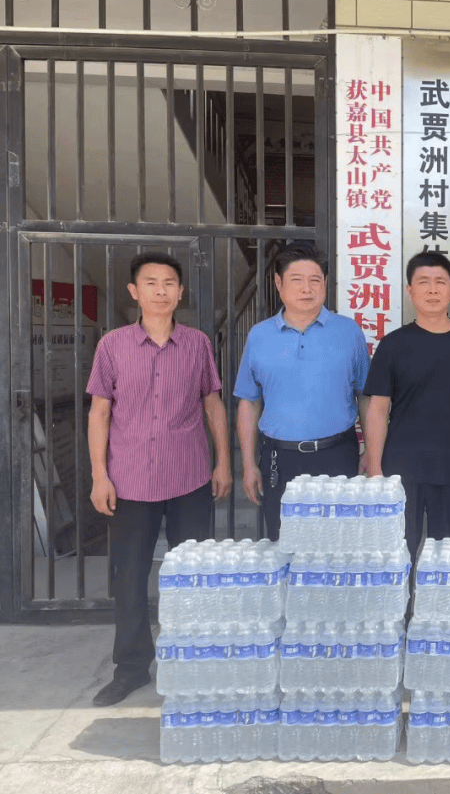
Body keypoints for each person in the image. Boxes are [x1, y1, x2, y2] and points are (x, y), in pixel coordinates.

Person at [86, 252, 231, 706]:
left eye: (170, 283)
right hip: (129, 482)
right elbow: (100, 411)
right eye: (151, 282)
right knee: (128, 578)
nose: (161, 290)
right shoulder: (112, 345)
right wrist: (99, 477)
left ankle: (192, 663)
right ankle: (131, 669)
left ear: (181, 292)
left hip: (188, 477)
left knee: (192, 577)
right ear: (135, 292)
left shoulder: (197, 344)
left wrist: (224, 461)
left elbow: (212, 405)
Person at [235, 242, 370, 541]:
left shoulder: (349, 333)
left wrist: (371, 451)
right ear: (279, 284)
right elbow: (248, 402)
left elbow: (366, 397)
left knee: (339, 547)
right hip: (279, 460)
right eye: (297, 280)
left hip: (337, 455)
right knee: (285, 545)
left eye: (315, 280)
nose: (306, 289)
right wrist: (247, 465)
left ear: (325, 285)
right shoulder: (259, 335)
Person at [363, 251, 450, 562]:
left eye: (439, 282)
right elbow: (378, 408)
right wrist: (377, 469)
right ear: (409, 290)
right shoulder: (393, 344)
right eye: (423, 282)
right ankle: (400, 613)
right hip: (401, 470)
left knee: (447, 558)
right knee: (396, 556)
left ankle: (439, 614)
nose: (432, 290)